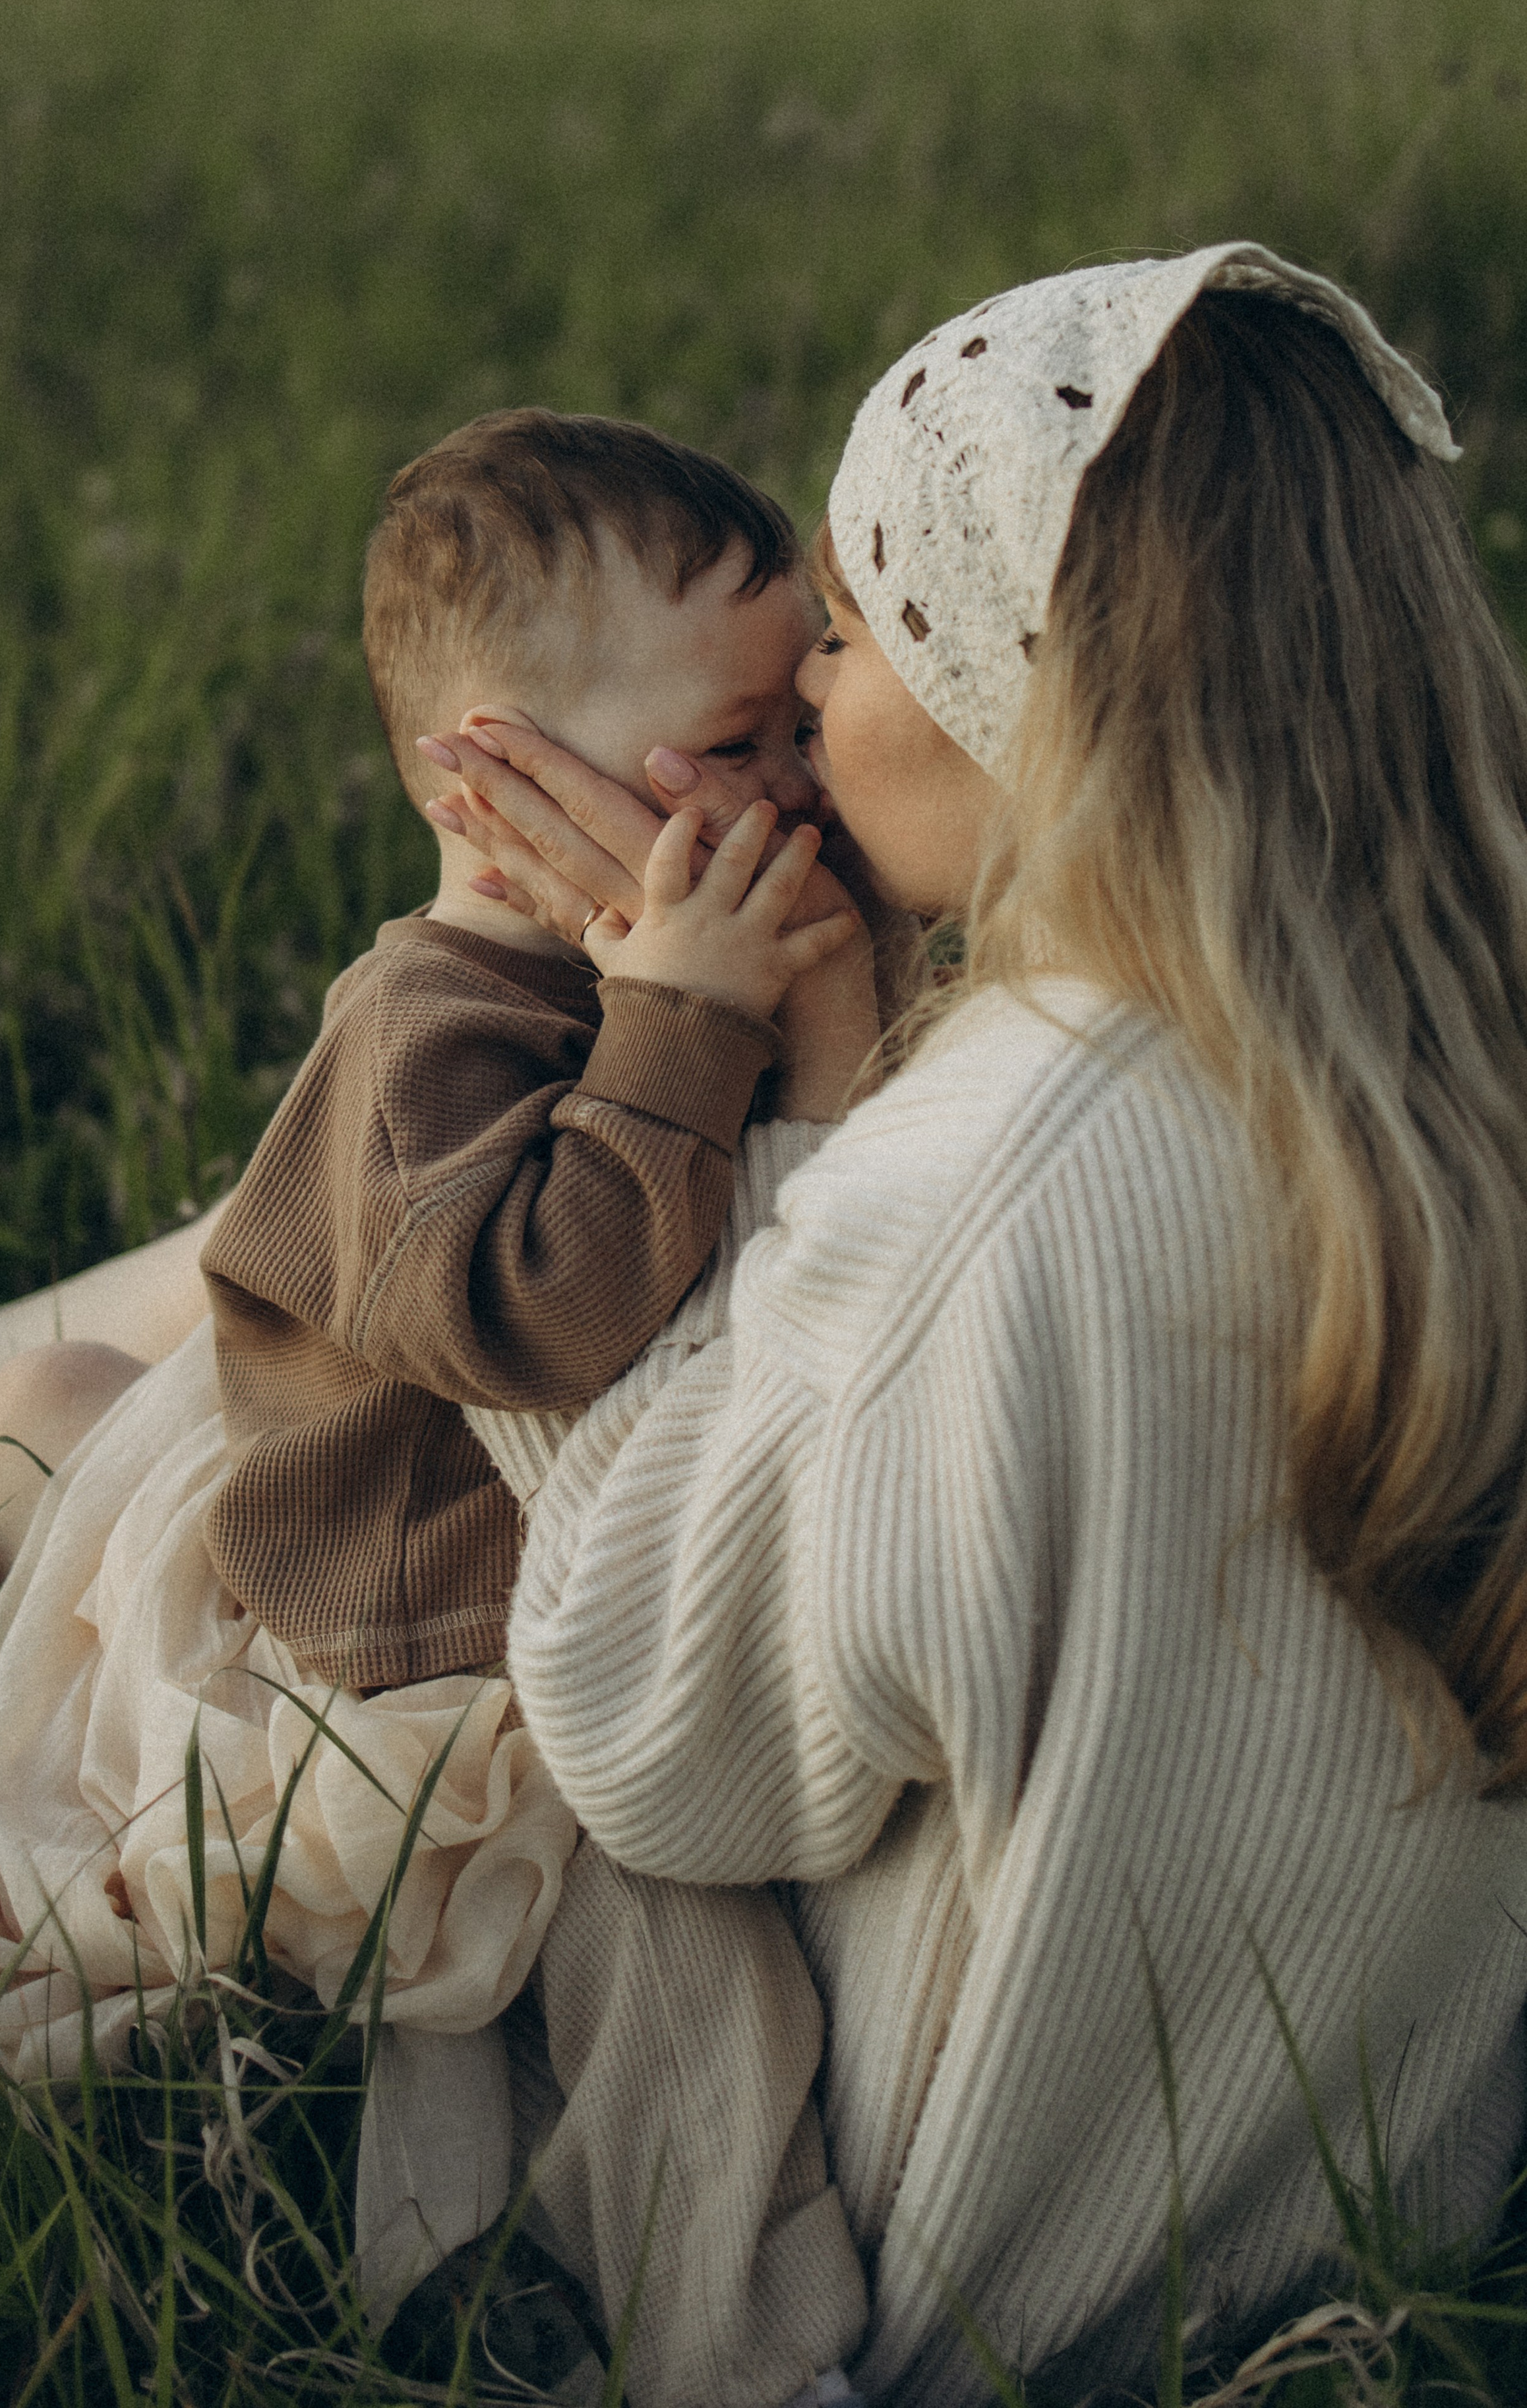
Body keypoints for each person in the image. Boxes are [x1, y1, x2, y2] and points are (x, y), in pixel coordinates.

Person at [421, 245, 1527, 2401]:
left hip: (1009, 2307)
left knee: (213, 1487)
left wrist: (696, 1108)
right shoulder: (1453, 1062)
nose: (812, 705)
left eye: (843, 632)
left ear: (1021, 676)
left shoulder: (1007, 1161)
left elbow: (655, 1739)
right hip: (1396, 2244)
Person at [0, 411, 875, 2408]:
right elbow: (518, 1317)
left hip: (531, 1613)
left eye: (795, 721)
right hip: (409, 1666)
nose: (794, 782)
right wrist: (686, 1026)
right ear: (486, 787)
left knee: (688, 1998)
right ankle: (736, 2360)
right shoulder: (423, 1036)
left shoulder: (639, 969)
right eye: (734, 741)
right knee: (689, 1995)